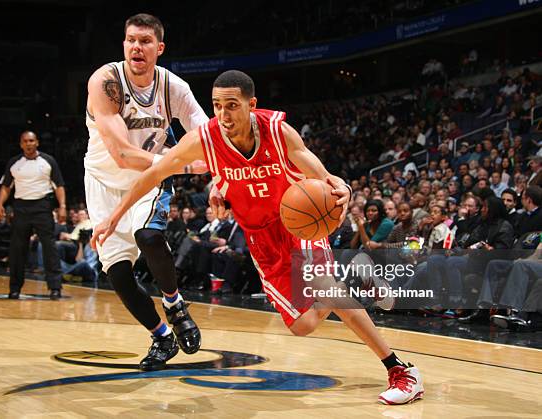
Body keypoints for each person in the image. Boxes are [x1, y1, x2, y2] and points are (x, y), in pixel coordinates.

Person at [91, 70, 424, 405]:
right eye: (217, 106)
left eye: (232, 105)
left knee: (327, 289)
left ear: (252, 105)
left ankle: (400, 370)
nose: (223, 115)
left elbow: (322, 176)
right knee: (303, 325)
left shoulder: (278, 132)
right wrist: (114, 217)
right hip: (261, 240)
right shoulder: (205, 138)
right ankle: (355, 277)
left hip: (297, 227)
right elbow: (154, 174)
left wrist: (340, 188)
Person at [84, 13, 208, 371]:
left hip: (150, 178)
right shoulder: (106, 81)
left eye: (145, 41)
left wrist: (221, 170)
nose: (136, 47)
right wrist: (184, 165)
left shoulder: (174, 88)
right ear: (124, 44)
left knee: (150, 234)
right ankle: (162, 336)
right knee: (118, 275)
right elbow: (122, 154)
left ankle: (173, 301)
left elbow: (205, 133)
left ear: (159, 48)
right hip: (104, 181)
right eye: (131, 40)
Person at [0, 131, 66, 300]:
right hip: (21, 208)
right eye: (25, 141)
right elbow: (6, 186)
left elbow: (59, 186)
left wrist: (62, 206)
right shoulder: (14, 163)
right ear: (21, 144)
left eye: (31, 140)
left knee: (49, 247)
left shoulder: (48, 161)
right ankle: (14, 288)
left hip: (42, 206)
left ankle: (55, 287)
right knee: (17, 249)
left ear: (37, 143)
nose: (28, 143)